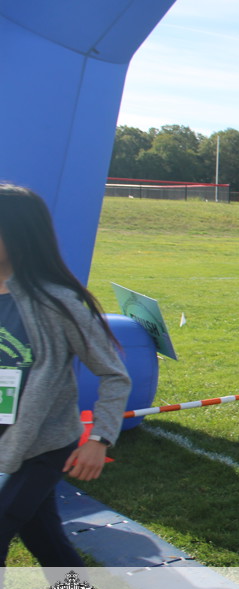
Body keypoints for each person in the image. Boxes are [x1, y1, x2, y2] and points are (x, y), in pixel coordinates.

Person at [0, 184, 130, 567]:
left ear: (21, 234)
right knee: (46, 541)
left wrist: (99, 440)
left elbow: (114, 375)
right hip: (4, 442)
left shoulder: (58, 303)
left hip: (42, 446)